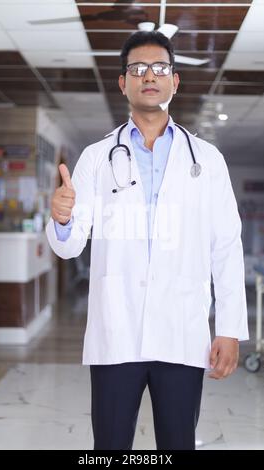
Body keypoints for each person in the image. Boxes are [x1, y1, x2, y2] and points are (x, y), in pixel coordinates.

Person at [46, 31, 249, 450]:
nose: (149, 76)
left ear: (175, 81)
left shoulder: (207, 161)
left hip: (181, 331)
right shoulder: (95, 158)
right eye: (138, 69)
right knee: (110, 448)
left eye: (160, 68)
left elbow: (227, 246)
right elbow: (70, 245)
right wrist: (62, 218)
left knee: (178, 443)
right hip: (116, 333)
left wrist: (229, 329)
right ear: (123, 83)